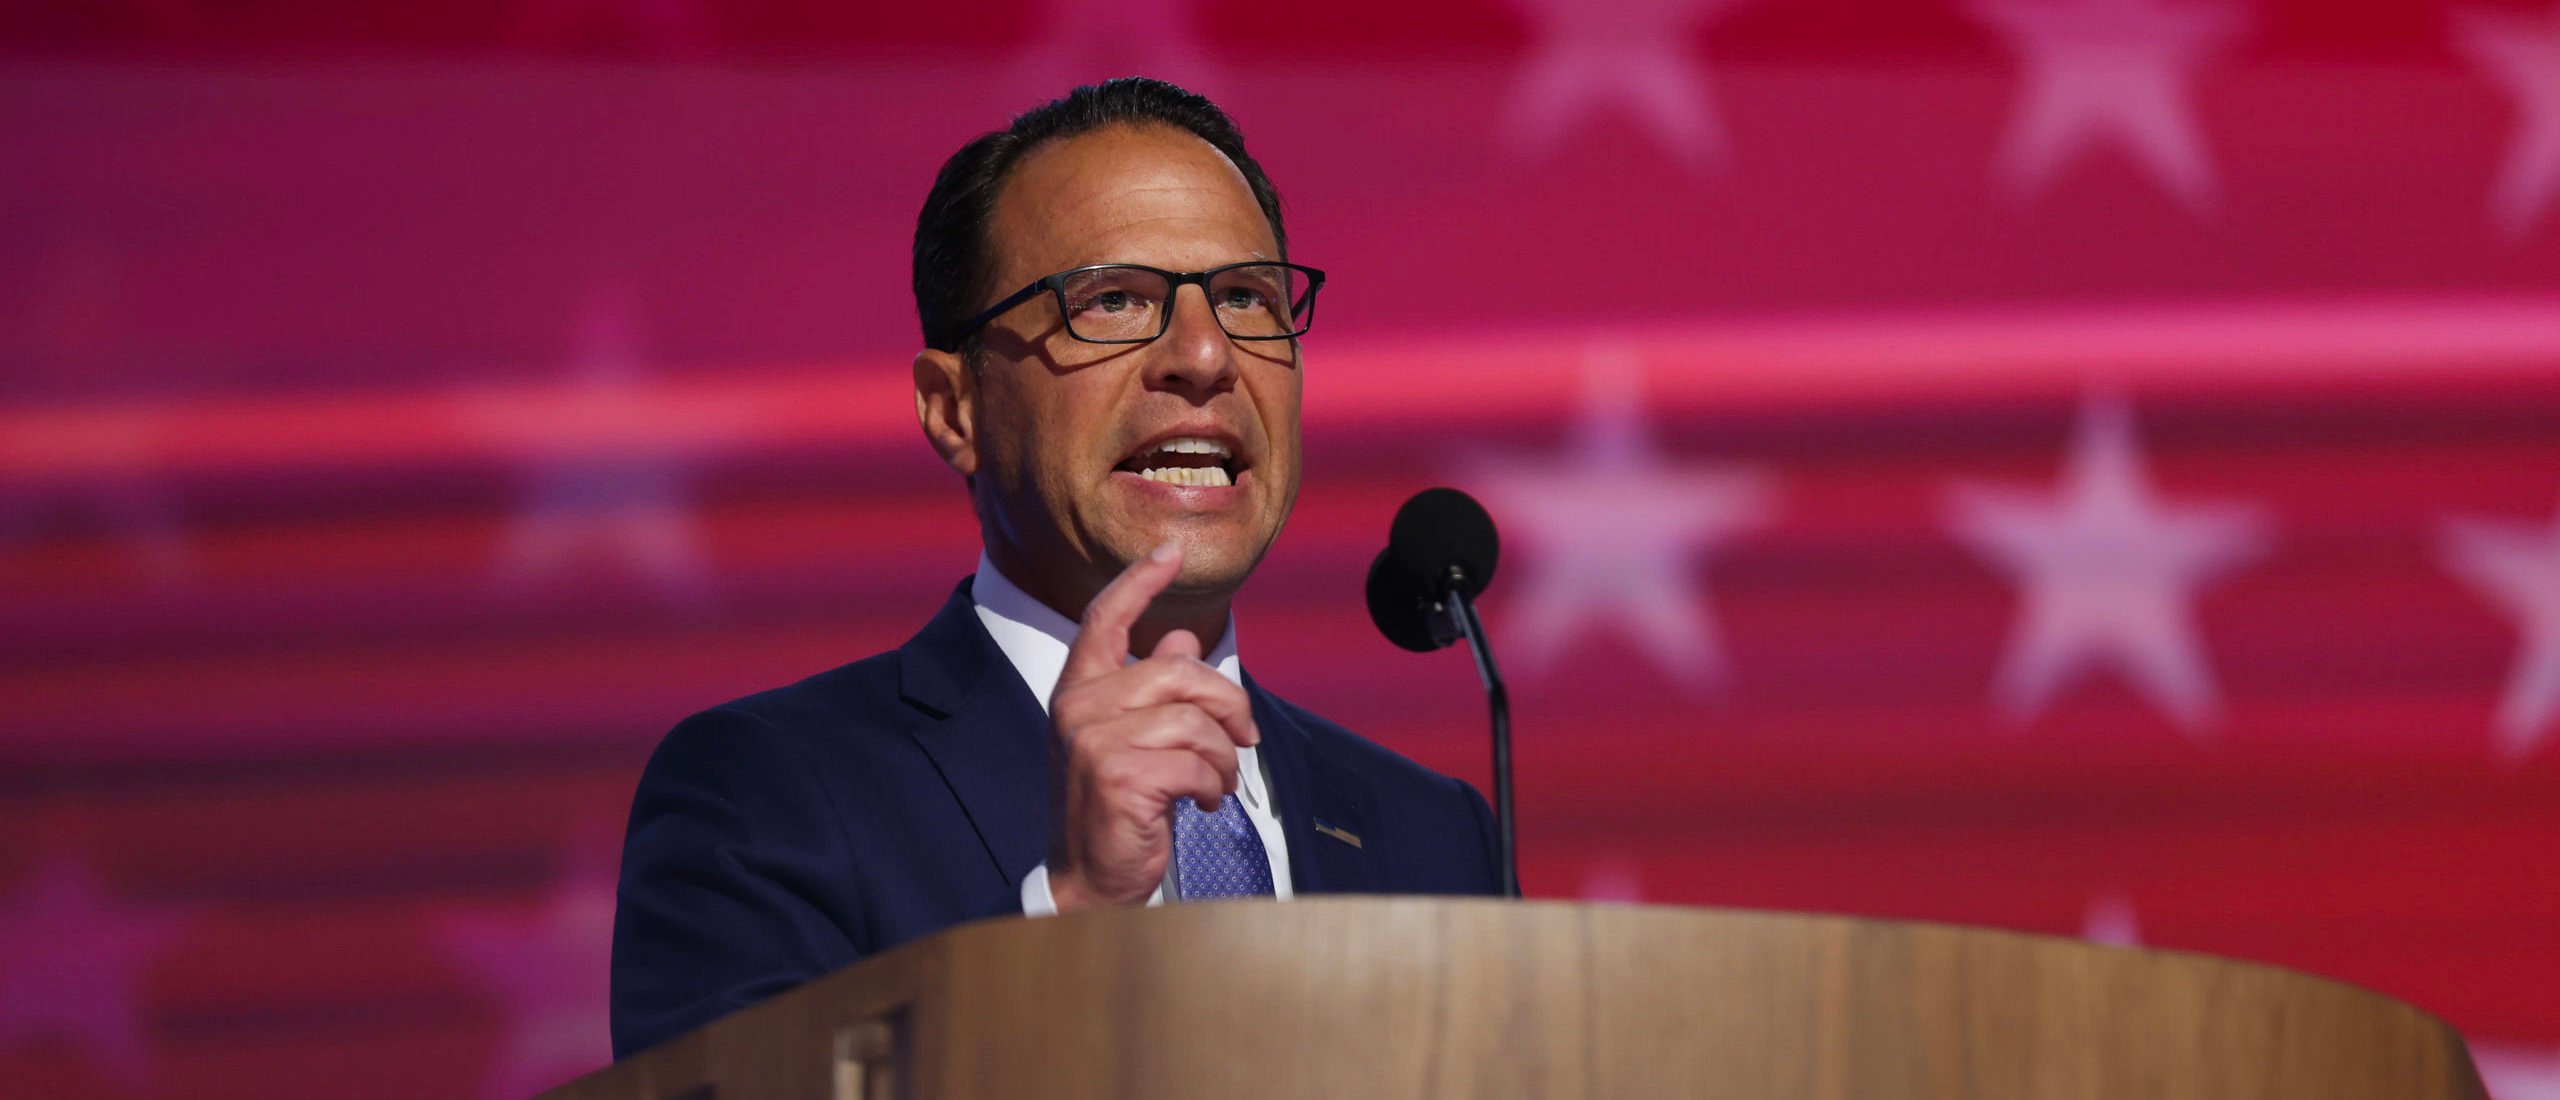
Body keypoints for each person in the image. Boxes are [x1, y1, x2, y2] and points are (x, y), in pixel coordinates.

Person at [607, 77, 1502, 1059]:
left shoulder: (1434, 832)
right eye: (1112, 301)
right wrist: (1064, 915)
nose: (1204, 355)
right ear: (955, 408)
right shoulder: (765, 795)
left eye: (1246, 297)